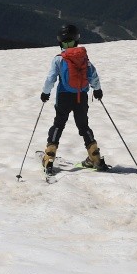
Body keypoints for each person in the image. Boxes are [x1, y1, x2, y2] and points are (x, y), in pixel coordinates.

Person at [39, 23, 108, 173]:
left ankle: (49, 156)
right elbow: (93, 75)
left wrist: (45, 92)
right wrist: (97, 90)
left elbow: (51, 78)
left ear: (60, 42)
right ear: (77, 40)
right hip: (81, 97)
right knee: (83, 126)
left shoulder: (59, 59)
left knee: (58, 124)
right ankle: (95, 157)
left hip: (64, 96)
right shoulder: (84, 58)